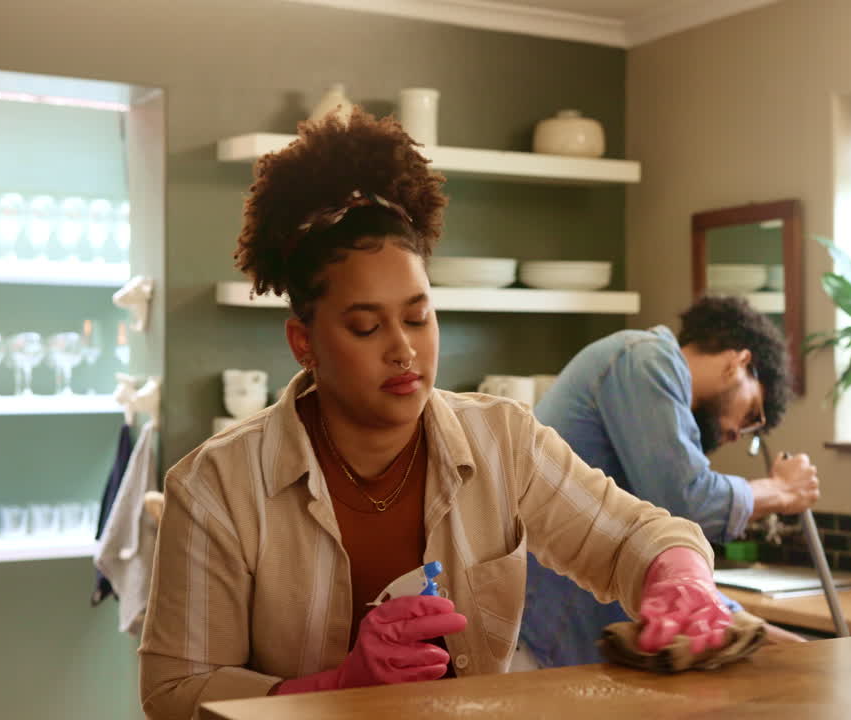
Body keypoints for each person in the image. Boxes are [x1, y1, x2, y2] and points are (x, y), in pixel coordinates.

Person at [138, 110, 744, 719]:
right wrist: (340, 685)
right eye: (366, 326)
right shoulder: (215, 486)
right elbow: (174, 695)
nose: (403, 349)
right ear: (304, 344)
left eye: (418, 316)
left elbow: (636, 538)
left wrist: (680, 579)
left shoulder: (503, 440)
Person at [518, 295, 821, 669]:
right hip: (544, 621)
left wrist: (753, 630)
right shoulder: (645, 359)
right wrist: (782, 491)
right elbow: (686, 503)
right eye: (751, 415)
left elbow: (662, 547)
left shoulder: (652, 386)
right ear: (739, 363)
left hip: (566, 618)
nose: (735, 434)